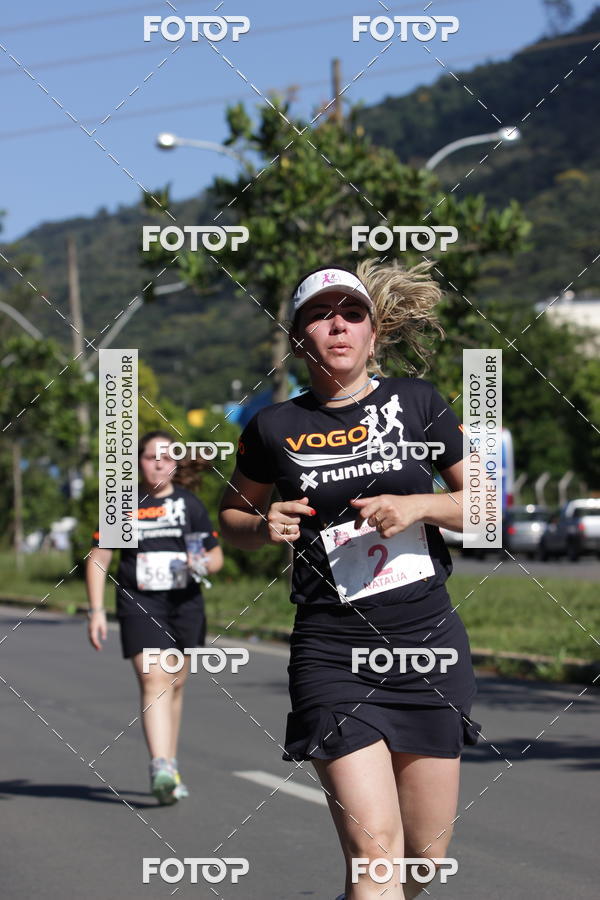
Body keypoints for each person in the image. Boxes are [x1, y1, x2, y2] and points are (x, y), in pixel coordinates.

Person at [219, 261, 480, 899]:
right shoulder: (272, 427)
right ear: (299, 335)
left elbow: (485, 507)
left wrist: (418, 506)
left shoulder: (419, 403)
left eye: (351, 314)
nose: (337, 325)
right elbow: (232, 516)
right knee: (374, 852)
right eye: (320, 315)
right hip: (332, 650)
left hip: (427, 645)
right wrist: (263, 523)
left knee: (422, 860)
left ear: (372, 331)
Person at [86, 430, 223, 804]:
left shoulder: (190, 505)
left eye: (166, 456)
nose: (159, 463)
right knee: (153, 675)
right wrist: (96, 611)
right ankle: (159, 765)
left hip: (185, 604)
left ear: (177, 463)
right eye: (150, 457)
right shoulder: (123, 505)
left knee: (175, 683)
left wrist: (201, 563)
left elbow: (215, 556)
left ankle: (171, 764)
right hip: (139, 601)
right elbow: (99, 561)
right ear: (138, 462)